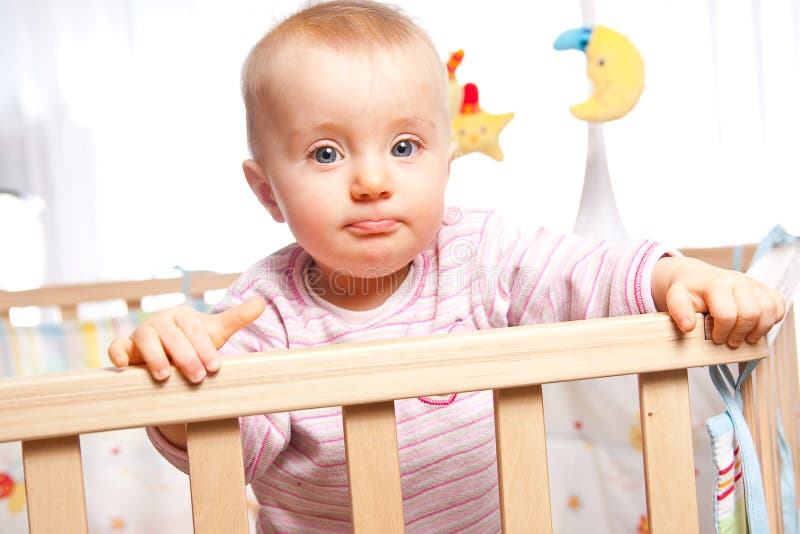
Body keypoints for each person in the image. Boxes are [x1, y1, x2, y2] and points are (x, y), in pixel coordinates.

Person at [108, 1, 785, 531]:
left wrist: (677, 277)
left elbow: (582, 272)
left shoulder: (477, 256)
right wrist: (181, 377)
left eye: (404, 146)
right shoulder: (263, 309)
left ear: (445, 161)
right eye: (324, 154)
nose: (372, 180)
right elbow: (233, 452)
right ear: (267, 192)